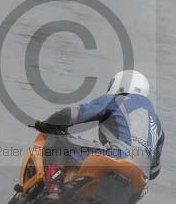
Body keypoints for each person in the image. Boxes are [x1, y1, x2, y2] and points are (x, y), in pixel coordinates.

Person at [34, 70, 165, 197]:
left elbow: (71, 115)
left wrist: (45, 124)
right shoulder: (157, 124)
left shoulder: (116, 100)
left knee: (56, 141)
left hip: (116, 158)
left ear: (118, 85)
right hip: (139, 180)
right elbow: (154, 171)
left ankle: (53, 191)